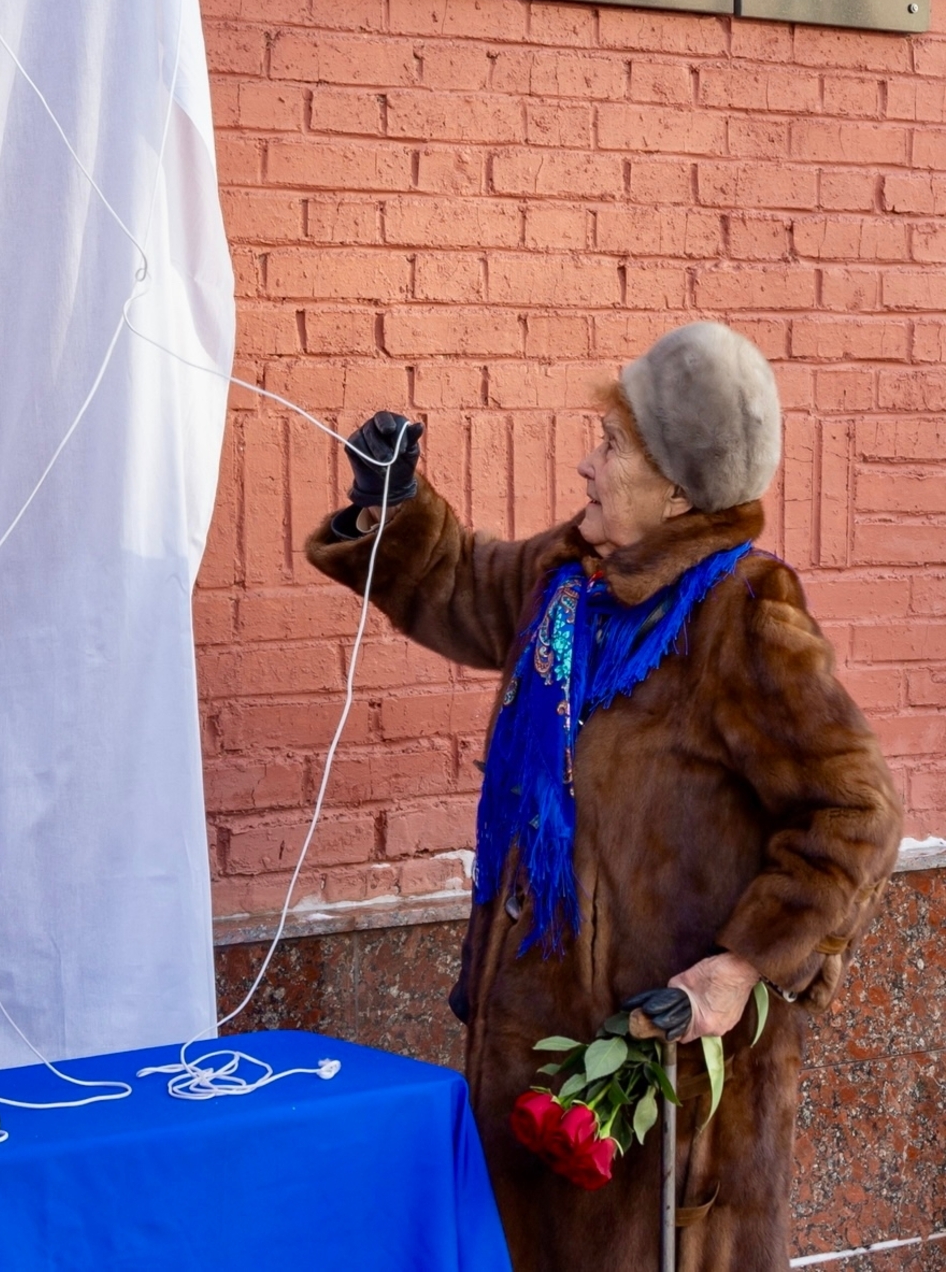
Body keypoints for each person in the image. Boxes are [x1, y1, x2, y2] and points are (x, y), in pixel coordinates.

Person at [307, 322, 900, 1272]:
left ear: (675, 486)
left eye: (614, 444)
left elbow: (854, 811)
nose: (587, 465)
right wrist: (397, 504)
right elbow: (466, 583)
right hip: (536, 1061)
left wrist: (743, 966)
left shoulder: (741, 618)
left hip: (658, 1094)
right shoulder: (572, 585)